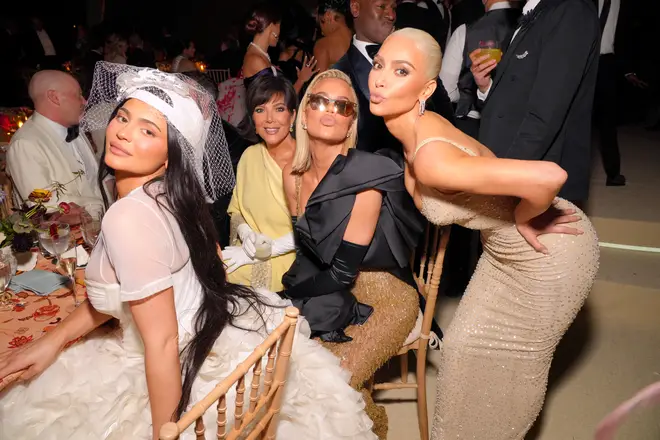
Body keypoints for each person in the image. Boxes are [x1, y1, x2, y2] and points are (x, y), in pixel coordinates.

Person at [0, 63, 377, 440]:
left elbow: (162, 343)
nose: (123, 134)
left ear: (169, 156)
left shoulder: (128, 217)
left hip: (169, 365)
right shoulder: (173, 195)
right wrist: (53, 340)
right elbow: (123, 294)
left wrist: (169, 431)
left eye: (148, 130)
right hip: (211, 335)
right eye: (123, 118)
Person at [369, 28, 599, 439]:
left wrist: (526, 216)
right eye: (379, 64)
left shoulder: (430, 159)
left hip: (547, 254)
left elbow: (550, 175)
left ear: (426, 88)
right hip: (503, 253)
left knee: (513, 370)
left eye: (400, 71)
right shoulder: (417, 128)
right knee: (461, 355)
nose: (380, 79)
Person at [281, 69, 424, 439]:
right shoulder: (292, 176)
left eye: (342, 106)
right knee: (291, 374)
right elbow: (307, 252)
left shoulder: (367, 177)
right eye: (319, 101)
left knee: (332, 381)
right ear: (303, 114)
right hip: (331, 294)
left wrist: (286, 299)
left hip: (385, 295)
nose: (330, 110)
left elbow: (344, 271)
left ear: (350, 123)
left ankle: (374, 430)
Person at [471, 0, 600, 206]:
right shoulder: (532, 13)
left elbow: (546, 113)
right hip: (509, 167)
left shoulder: (571, 10)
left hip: (533, 179)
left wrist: (505, 179)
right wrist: (487, 87)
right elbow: (522, 91)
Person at [334, 0, 455, 154]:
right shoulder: (339, 76)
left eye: (393, 8)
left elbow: (446, 118)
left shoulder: (417, 55)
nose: (391, 15)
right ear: (355, 8)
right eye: (381, 7)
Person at [223, 75, 298, 292]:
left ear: (292, 116)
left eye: (279, 109)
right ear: (253, 120)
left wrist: (268, 250)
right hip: (248, 252)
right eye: (260, 110)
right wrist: (246, 234)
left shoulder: (307, 161)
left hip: (292, 257)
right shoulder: (250, 156)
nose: (269, 119)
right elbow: (236, 210)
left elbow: (316, 228)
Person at [7, 70, 103, 208]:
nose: (84, 101)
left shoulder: (74, 128)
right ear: (54, 97)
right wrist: (98, 205)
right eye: (78, 95)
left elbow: (93, 180)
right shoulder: (25, 143)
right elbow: (41, 202)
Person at [241, 2, 317, 94]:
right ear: (272, 26)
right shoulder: (256, 59)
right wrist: (301, 80)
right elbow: (280, 102)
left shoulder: (258, 54)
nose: (279, 32)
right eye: (279, 26)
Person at [313, 0, 353, 72]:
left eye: (321, 23)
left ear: (328, 16)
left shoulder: (323, 45)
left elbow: (321, 81)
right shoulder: (360, 37)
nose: (322, 32)